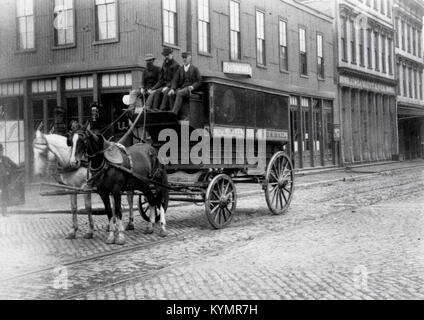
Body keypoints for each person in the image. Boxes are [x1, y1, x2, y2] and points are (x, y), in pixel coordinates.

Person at [146, 47, 180, 111]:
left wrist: (167, 87)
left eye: (167, 55)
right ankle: (154, 109)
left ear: (171, 55)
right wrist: (153, 88)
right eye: (165, 56)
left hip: (174, 86)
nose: (166, 57)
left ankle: (162, 109)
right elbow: (161, 80)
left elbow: (175, 80)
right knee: (157, 91)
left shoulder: (176, 65)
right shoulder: (164, 64)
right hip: (165, 86)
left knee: (166, 91)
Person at [168, 52, 201, 116]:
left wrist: (192, 86)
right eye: (183, 58)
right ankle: (173, 113)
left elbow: (199, 81)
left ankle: (174, 113)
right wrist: (172, 89)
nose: (184, 59)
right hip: (182, 88)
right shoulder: (180, 69)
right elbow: (175, 80)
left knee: (180, 93)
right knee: (171, 93)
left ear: (190, 59)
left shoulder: (195, 69)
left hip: (190, 89)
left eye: (186, 58)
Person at [0, 143, 19, 216]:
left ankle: (4, 212)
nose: (1, 152)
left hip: (4, 182)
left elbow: (15, 166)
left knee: (4, 196)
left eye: (1, 150)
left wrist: (9, 171)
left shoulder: (5, 159)